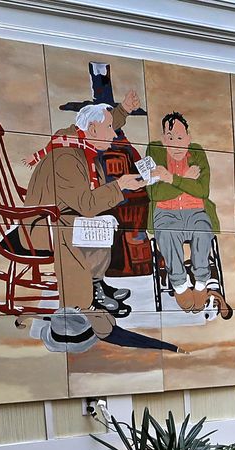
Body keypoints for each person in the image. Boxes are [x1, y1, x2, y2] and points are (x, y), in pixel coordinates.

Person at [21, 91, 148, 320]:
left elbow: (105, 124)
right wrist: (120, 185)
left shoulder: (80, 144)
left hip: (62, 214)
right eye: (109, 128)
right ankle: (84, 299)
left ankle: (96, 283)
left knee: (102, 220)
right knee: (89, 222)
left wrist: (124, 110)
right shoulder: (68, 158)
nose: (113, 133)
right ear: (91, 130)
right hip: (43, 225)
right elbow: (86, 205)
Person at [143, 111, 228, 318]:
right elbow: (154, 193)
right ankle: (180, 285)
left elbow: (202, 191)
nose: (175, 144)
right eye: (170, 138)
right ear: (163, 139)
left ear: (188, 138)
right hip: (165, 212)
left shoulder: (197, 152)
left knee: (202, 230)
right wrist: (185, 180)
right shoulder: (154, 151)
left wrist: (170, 178)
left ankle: (201, 282)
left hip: (196, 211)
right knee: (167, 233)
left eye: (180, 138)